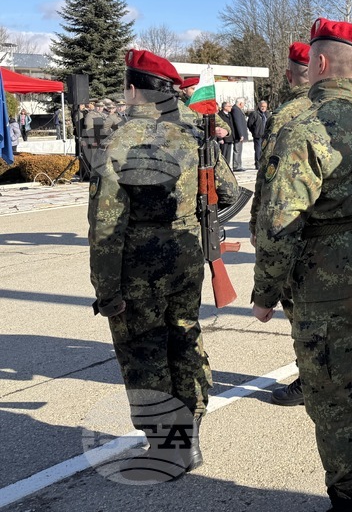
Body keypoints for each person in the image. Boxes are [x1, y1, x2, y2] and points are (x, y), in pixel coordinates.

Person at [253, 20, 352, 511]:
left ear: (319, 63)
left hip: (325, 274)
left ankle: (350, 499)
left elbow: (280, 222)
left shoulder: (305, 127)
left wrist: (265, 291)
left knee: (332, 392)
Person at [88, 49, 239, 481]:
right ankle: (189, 435)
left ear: (133, 89)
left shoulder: (120, 139)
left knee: (145, 353)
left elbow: (105, 224)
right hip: (187, 256)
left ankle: (168, 448)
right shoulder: (194, 132)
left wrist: (107, 290)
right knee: (184, 339)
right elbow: (227, 193)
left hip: (138, 266)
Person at [249, 43, 313, 406]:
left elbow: (269, 180)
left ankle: (309, 379)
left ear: (290, 75)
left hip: (296, 230)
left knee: (302, 312)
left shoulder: (287, 114)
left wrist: (258, 223)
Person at [246, 100, 270, 169]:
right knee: (258, 150)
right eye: (262, 106)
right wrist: (254, 131)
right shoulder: (254, 114)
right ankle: (258, 164)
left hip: (266, 136)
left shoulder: (267, 114)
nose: (263, 108)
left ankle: (264, 164)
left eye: (265, 106)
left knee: (265, 150)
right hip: (258, 135)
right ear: (259, 106)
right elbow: (249, 124)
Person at [230, 98, 249, 171]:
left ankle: (239, 165)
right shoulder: (236, 110)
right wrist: (241, 134)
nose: (244, 105)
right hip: (238, 134)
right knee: (237, 150)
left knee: (239, 150)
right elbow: (237, 122)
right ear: (240, 103)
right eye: (243, 103)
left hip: (240, 134)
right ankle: (236, 166)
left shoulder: (237, 109)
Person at [217, 102, 235, 166]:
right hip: (223, 139)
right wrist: (220, 138)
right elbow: (218, 127)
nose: (231, 107)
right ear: (225, 107)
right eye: (229, 106)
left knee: (228, 155)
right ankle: (222, 167)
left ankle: (227, 166)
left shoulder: (230, 115)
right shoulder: (219, 115)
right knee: (223, 154)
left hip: (230, 137)